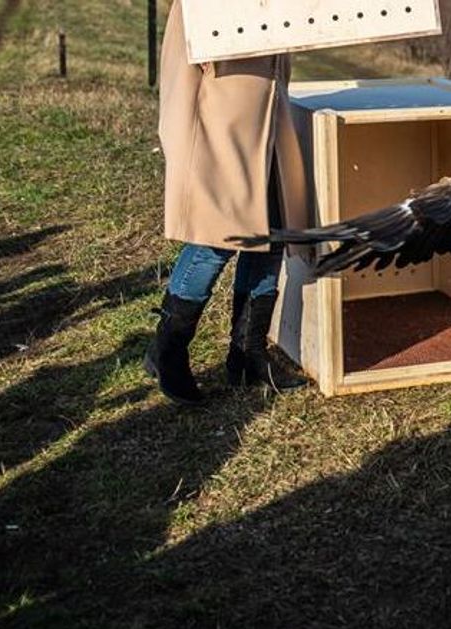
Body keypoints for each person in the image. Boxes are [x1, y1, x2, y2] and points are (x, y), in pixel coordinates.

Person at [145, 1, 308, 404]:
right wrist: (184, 144)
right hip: (220, 129)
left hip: (269, 123)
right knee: (213, 243)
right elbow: (179, 74)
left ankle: (247, 357)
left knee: (270, 237)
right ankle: (167, 351)